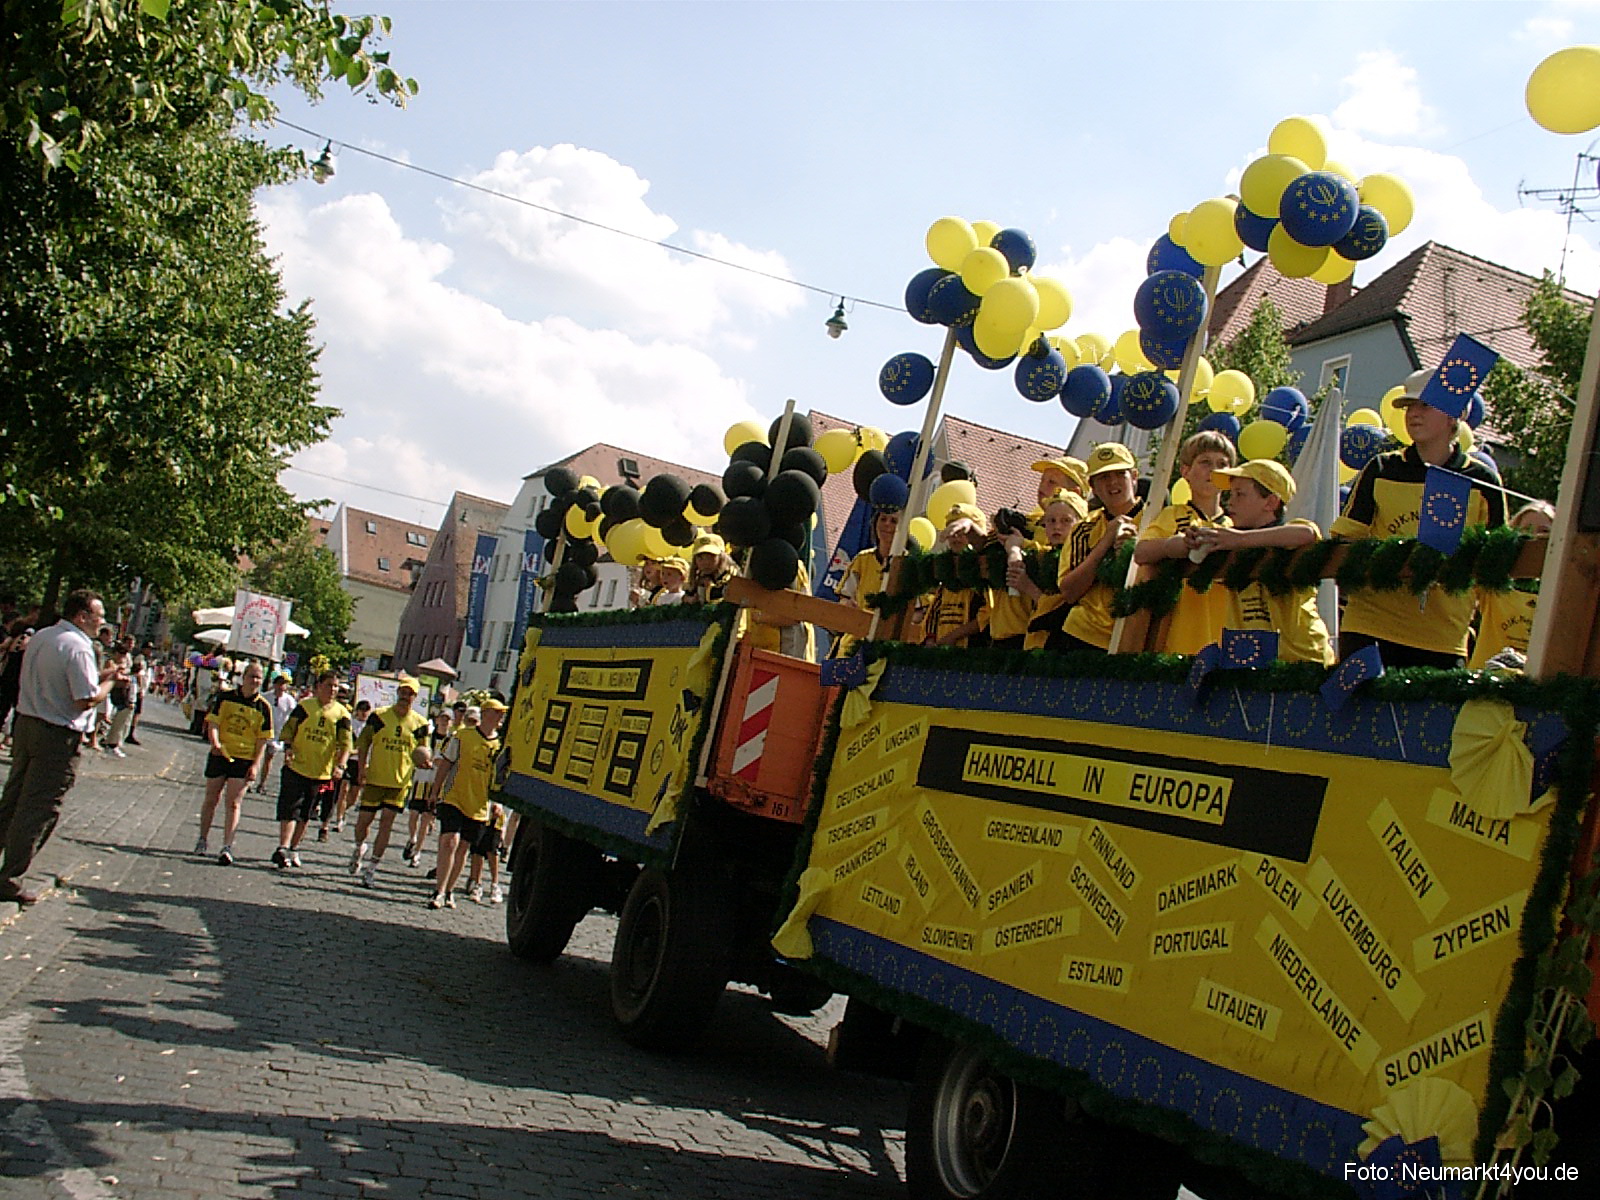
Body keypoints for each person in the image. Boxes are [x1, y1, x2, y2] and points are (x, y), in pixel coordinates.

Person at [1331, 367, 1507, 668]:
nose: (1413, 414)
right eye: (1408, 406)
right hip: (1369, 627)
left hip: (1442, 636)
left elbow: (1499, 559)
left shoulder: (1482, 480)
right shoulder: (1381, 468)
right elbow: (1347, 539)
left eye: (1424, 405)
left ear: (1453, 415)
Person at [0, 591, 124, 904]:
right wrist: (111, 683)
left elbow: (66, 679)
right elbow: (85, 698)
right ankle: (10, 877)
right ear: (82, 615)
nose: (101, 622)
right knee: (39, 808)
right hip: (57, 735)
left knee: (12, 799)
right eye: (98, 616)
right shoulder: (79, 647)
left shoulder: (44, 637)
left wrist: (101, 675)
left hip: (27, 723)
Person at [1197, 460, 1335, 665]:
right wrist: (1190, 540)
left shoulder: (1286, 534)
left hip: (1302, 659)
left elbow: (1306, 533)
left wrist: (1241, 540)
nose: (1229, 503)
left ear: (1271, 502)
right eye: (1231, 494)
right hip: (1247, 662)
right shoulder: (1228, 539)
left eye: (1240, 494)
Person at [1133, 431, 1237, 655]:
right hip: (1179, 637)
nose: (1214, 470)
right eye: (1205, 462)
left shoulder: (1236, 525)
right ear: (1186, 472)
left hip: (1225, 638)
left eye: (1222, 464)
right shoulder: (1174, 515)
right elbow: (1141, 552)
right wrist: (1176, 546)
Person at [1055, 443, 1146, 654]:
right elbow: (1069, 591)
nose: (1113, 482)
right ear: (1093, 487)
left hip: (1138, 634)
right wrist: (1106, 542)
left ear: (1134, 476)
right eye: (1104, 477)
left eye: (1119, 474)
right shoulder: (1084, 529)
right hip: (1086, 636)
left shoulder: (1157, 518)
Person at [349, 677, 431, 888]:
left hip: (399, 783)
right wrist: (361, 770)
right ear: (398, 693)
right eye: (403, 692)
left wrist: (424, 762)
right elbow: (364, 743)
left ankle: (372, 868)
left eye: (410, 693)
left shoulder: (420, 724)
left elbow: (423, 751)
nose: (405, 696)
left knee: (387, 822)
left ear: (415, 697)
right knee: (363, 822)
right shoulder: (379, 716)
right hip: (375, 778)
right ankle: (359, 847)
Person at [427, 699, 506, 909]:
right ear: (486, 713)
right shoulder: (462, 736)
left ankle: (450, 889)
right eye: (497, 713)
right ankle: (439, 890)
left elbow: (499, 778)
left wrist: (496, 802)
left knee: (463, 848)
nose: (500, 717)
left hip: (479, 805)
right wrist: (435, 791)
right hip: (454, 796)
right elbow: (446, 764)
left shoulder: (500, 746)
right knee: (449, 841)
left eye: (502, 714)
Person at [270, 671, 353, 869]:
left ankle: (294, 847)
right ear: (318, 686)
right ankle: (283, 847)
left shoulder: (342, 714)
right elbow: (289, 730)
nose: (332, 690)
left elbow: (345, 744)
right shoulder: (305, 707)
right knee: (290, 809)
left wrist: (340, 766)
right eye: (329, 685)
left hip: (321, 772)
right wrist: (288, 749)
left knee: (306, 814)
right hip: (296, 766)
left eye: (335, 686)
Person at [195, 660, 272, 866]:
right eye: (251, 676)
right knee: (212, 798)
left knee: (234, 802)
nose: (254, 681)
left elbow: (262, 740)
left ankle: (227, 845)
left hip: (243, 758)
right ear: (243, 677)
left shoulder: (264, 708)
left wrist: (256, 764)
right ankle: (203, 838)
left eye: (258, 677)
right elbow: (213, 722)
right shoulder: (225, 697)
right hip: (220, 754)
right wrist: (216, 742)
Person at [1469, 500, 1556, 670]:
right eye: (1525, 530)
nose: (1533, 538)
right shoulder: (1494, 585)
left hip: (1532, 688)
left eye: (1544, 532)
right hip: (1484, 684)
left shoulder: (1560, 595)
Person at [1011, 490, 1089, 651]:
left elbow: (1063, 610)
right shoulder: (1043, 556)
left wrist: (1029, 588)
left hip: (1062, 646)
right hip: (1035, 643)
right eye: (1051, 521)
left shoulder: (1081, 559)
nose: (1057, 526)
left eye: (1066, 520)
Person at [922, 505, 991, 648]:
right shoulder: (945, 573)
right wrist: (931, 639)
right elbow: (934, 613)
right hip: (942, 648)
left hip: (972, 651)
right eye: (951, 531)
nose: (955, 537)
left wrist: (954, 636)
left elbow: (987, 615)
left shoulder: (984, 572)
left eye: (961, 532)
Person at [402, 707, 454, 867]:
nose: (444, 722)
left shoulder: (451, 740)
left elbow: (445, 760)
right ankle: (412, 838)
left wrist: (434, 762)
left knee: (426, 818)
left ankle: (418, 851)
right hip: (420, 779)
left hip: (435, 782)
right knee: (413, 815)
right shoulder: (427, 736)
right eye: (442, 718)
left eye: (447, 719)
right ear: (437, 719)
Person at [323, 696, 370, 841]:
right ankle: (339, 818)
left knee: (354, 795)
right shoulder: (351, 723)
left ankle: (342, 810)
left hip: (360, 763)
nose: (363, 713)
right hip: (348, 760)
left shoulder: (370, 727)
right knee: (343, 790)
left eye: (366, 711)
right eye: (361, 710)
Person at [257, 674, 298, 792]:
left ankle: (262, 783)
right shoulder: (265, 697)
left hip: (277, 734)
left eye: (284, 684)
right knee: (257, 756)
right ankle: (250, 780)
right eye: (279, 684)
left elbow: (293, 717)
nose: (281, 687)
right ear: (274, 685)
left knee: (269, 758)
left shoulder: (290, 701)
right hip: (263, 731)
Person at [101, 645, 136, 757]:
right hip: (115, 692)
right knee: (119, 718)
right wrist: (124, 677)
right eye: (120, 653)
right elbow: (115, 677)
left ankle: (114, 742)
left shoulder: (122, 665)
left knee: (123, 719)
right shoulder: (111, 663)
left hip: (122, 693)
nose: (122, 656)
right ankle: (111, 743)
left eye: (124, 654)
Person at [687, 534, 737, 604]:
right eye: (700, 558)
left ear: (722, 557)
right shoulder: (694, 581)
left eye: (711, 557)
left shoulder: (733, 579)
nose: (706, 563)